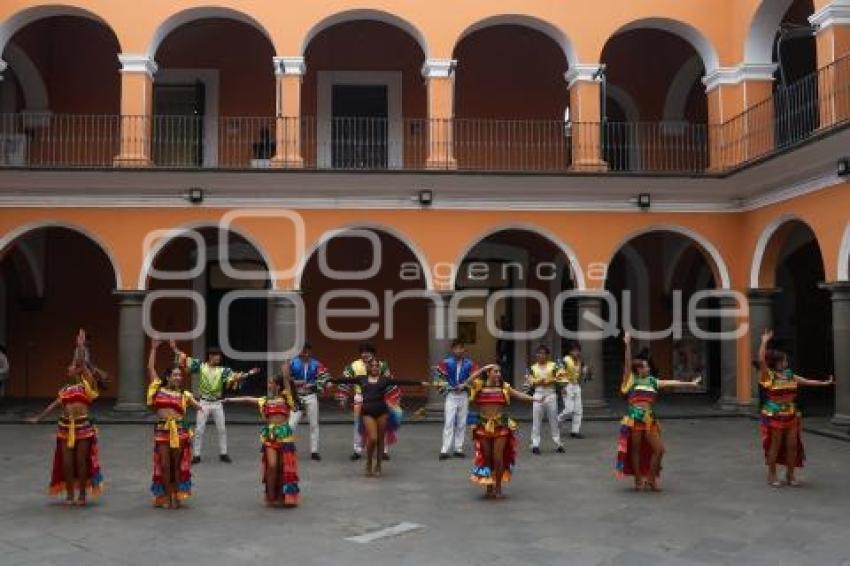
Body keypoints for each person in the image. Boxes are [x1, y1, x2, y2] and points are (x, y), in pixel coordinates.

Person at [28, 329, 106, 505]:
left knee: (81, 462)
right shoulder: (64, 391)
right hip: (65, 427)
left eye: (72, 367)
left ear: (78, 371)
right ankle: (70, 495)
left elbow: (81, 364)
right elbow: (52, 406)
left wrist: (80, 346)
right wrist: (38, 418)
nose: (69, 368)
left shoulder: (86, 386)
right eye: (68, 368)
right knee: (67, 464)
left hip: (83, 427)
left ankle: (82, 496)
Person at [616, 332, 701, 491]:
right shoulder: (631, 380)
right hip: (634, 418)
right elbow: (627, 364)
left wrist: (690, 384)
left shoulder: (653, 381)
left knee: (659, 450)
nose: (648, 367)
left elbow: (671, 382)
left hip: (649, 419)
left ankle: (651, 477)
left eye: (647, 365)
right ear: (639, 369)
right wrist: (627, 344)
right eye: (645, 366)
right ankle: (638, 479)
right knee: (635, 450)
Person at [758, 329, 834, 487]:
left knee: (793, 445)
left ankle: (790, 474)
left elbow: (806, 381)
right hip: (775, 414)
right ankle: (772, 475)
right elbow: (761, 360)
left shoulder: (789, 375)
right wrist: (764, 341)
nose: (786, 363)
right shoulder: (768, 375)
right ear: (776, 363)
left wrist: (824, 383)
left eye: (786, 361)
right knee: (775, 445)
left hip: (792, 414)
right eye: (783, 361)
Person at [331, 358, 423, 477]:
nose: (375, 368)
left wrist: (419, 383)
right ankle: (369, 462)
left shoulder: (384, 380)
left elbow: (402, 381)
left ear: (379, 369)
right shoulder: (361, 379)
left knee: (380, 440)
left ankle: (378, 464)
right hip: (367, 412)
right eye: (372, 366)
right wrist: (331, 380)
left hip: (382, 412)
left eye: (377, 366)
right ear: (368, 368)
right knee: (373, 438)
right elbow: (344, 380)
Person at [170, 341, 259, 464]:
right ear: (211, 356)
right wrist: (175, 348)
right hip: (203, 403)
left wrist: (243, 375)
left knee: (222, 429)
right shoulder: (201, 366)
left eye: (219, 356)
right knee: (199, 430)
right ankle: (196, 455)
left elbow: (233, 377)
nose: (219, 358)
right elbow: (185, 359)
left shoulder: (223, 370)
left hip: (217, 403)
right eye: (217, 356)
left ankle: (223, 453)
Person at [224, 372, 300, 506]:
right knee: (272, 466)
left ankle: (283, 496)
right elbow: (248, 399)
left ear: (277, 386)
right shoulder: (265, 400)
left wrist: (286, 376)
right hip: (270, 436)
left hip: (285, 435)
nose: (268, 385)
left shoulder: (286, 398)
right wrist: (230, 400)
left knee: (283, 466)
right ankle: (271, 497)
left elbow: (287, 387)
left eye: (271, 383)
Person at [147, 339, 202, 508]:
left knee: (177, 465)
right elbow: (150, 368)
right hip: (163, 430)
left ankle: (176, 494)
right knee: (165, 464)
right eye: (175, 375)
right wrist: (154, 349)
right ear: (168, 376)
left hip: (180, 431)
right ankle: (166, 495)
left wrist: (199, 404)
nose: (178, 377)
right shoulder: (158, 388)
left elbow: (198, 405)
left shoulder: (184, 394)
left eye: (180, 375)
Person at [466, 363, 534, 499]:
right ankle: (488, 486)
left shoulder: (504, 387)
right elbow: (468, 382)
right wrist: (482, 369)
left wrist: (534, 398)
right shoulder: (479, 385)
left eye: (499, 372)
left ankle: (498, 487)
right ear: (488, 373)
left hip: (501, 425)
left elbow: (518, 394)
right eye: (495, 371)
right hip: (483, 425)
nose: (498, 374)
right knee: (487, 458)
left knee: (498, 458)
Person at [340, 343, 392, 461]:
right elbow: (345, 381)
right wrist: (343, 397)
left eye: (368, 352)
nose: (365, 354)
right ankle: (357, 451)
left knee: (382, 425)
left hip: (379, 398)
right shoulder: (353, 366)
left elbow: (389, 382)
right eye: (363, 352)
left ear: (373, 353)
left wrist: (391, 398)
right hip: (360, 398)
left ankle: (383, 450)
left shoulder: (381, 365)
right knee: (358, 424)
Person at [284, 342, 331, 461]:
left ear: (310, 351)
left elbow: (325, 378)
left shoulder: (317, 364)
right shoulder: (292, 362)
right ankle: (288, 448)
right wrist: (295, 383)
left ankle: (314, 451)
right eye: (302, 350)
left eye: (307, 350)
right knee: (291, 424)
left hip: (311, 396)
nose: (305, 353)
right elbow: (285, 379)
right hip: (297, 396)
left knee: (314, 424)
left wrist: (317, 384)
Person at [433, 339, 478, 460]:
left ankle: (458, 448)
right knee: (449, 421)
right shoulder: (445, 363)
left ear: (464, 350)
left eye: (461, 348)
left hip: (463, 395)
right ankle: (445, 449)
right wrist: (449, 388)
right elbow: (438, 379)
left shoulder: (470, 364)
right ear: (453, 350)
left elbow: (476, 379)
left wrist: (466, 385)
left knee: (462, 422)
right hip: (451, 395)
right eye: (456, 348)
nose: (458, 350)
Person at [525, 344, 565, 454]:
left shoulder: (554, 366)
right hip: (538, 394)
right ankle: (535, 444)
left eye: (543, 353)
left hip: (550, 394)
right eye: (539, 353)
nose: (541, 355)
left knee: (553, 420)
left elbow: (561, 377)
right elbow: (528, 381)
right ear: (536, 355)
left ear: (547, 355)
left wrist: (550, 380)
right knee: (536, 420)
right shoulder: (532, 368)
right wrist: (538, 381)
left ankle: (558, 443)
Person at [557, 342, 587, 438]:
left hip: (576, 385)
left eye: (577, 350)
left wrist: (586, 371)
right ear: (569, 351)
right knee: (569, 409)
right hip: (567, 385)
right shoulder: (564, 360)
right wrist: (562, 387)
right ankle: (557, 421)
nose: (576, 352)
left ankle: (575, 431)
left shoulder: (580, 361)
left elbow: (583, 374)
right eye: (574, 350)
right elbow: (559, 374)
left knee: (578, 409)